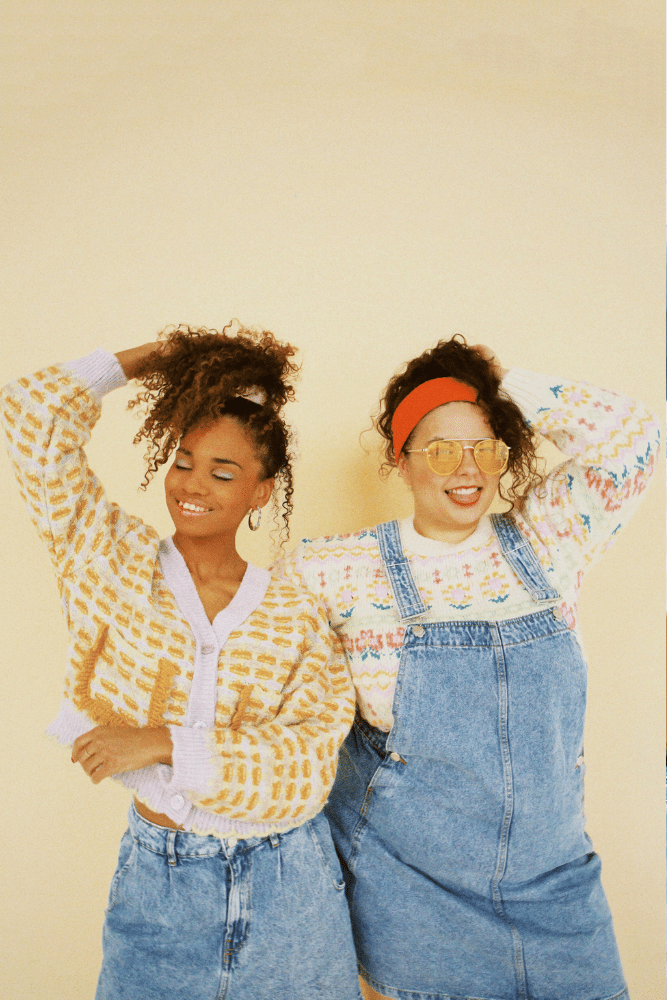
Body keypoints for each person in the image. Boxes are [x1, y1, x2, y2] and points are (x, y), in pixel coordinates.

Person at [277, 336, 659, 1000]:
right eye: (440, 449)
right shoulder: (331, 568)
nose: (467, 467)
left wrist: (491, 378)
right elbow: (293, 719)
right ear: (400, 460)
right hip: (415, 896)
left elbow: (633, 436)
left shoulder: (547, 537)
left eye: (484, 445)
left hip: (556, 887)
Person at [1, 325, 362, 1000]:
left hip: (291, 892)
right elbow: (29, 413)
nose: (193, 485)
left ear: (261, 491)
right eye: (183, 461)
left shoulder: (294, 610)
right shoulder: (109, 561)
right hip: (159, 885)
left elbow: (307, 768)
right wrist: (153, 361)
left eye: (224, 472)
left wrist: (163, 742)